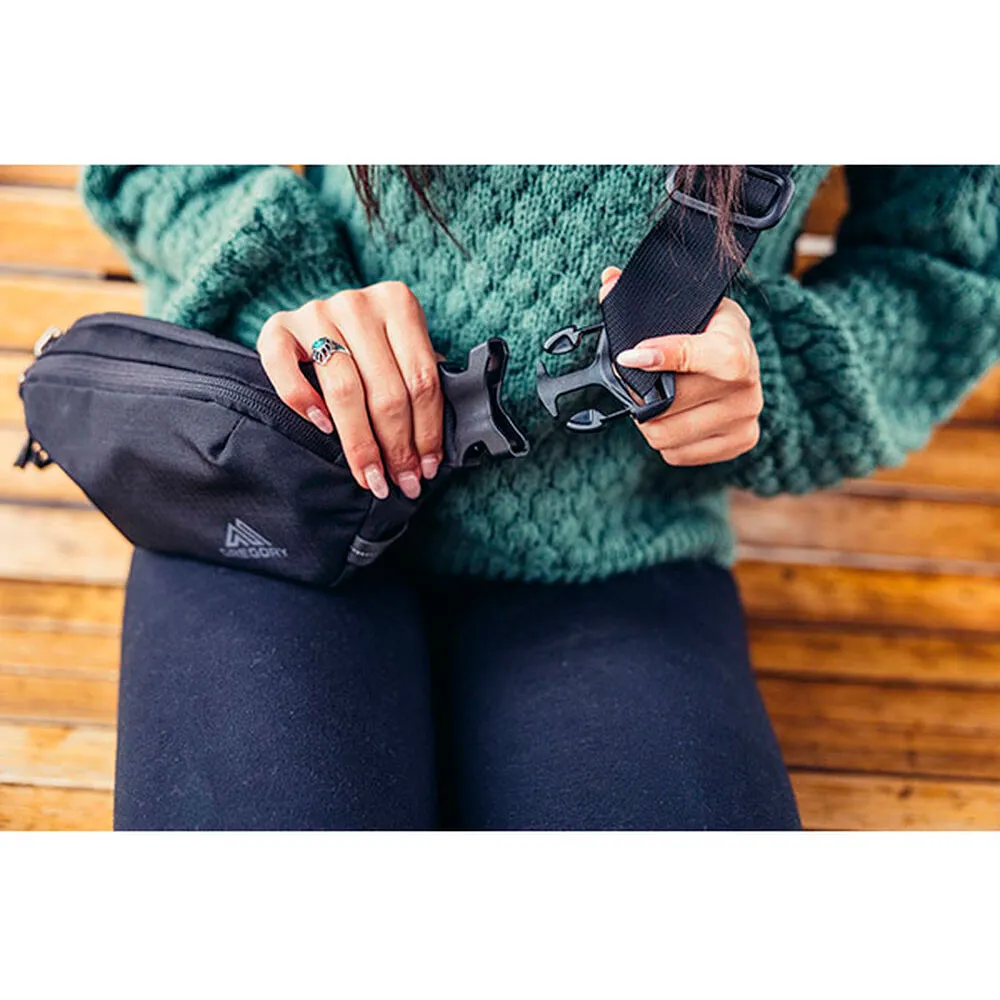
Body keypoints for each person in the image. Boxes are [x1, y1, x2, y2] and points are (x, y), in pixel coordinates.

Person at [82, 165, 1000, 831]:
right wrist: (298, 303)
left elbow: (946, 271)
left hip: (611, 556)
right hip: (288, 492)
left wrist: (761, 377)